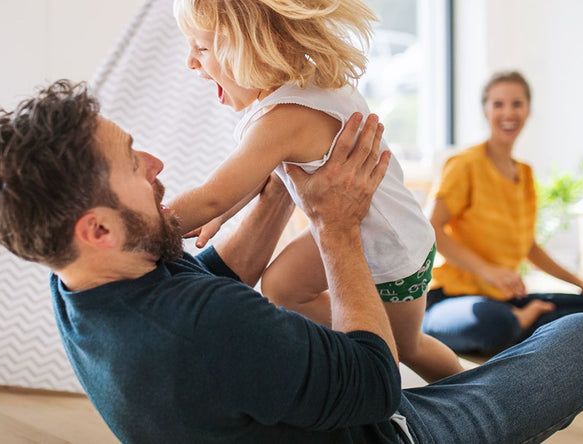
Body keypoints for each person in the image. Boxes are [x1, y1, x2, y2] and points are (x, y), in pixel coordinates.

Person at [0, 79, 583, 443]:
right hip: (392, 429)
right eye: (133, 163)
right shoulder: (202, 332)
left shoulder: (77, 282)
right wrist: (335, 228)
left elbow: (211, 275)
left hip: (301, 404)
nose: (156, 165)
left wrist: (286, 179)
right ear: (99, 228)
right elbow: (376, 381)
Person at [167, 0, 462, 382]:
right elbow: (244, 179)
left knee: (409, 348)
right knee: (280, 288)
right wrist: (220, 214)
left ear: (254, 45)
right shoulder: (301, 87)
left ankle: (471, 393)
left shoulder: (284, 119)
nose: (191, 62)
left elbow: (213, 194)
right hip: (364, 230)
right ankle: (351, 346)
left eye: (201, 48)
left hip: (391, 249)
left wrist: (147, 226)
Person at [422, 70, 583, 355]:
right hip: (450, 300)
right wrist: (488, 271)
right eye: (498, 104)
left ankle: (523, 321)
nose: (508, 113)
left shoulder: (525, 175)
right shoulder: (465, 165)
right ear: (486, 110)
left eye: (517, 104)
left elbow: (530, 248)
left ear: (528, 110)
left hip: (503, 299)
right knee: (493, 323)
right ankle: (522, 323)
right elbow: (430, 228)